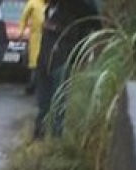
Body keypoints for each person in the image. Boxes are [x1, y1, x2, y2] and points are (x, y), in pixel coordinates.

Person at [34, 0, 101, 139]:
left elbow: (95, 21)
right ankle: (40, 137)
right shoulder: (50, 8)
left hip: (61, 58)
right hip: (44, 59)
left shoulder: (73, 8)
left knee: (58, 103)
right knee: (43, 104)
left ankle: (54, 140)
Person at [19, 0, 46, 94]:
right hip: (36, 37)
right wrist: (21, 32)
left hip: (48, 37)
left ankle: (40, 87)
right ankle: (32, 85)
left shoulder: (51, 4)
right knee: (34, 64)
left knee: (44, 63)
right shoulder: (33, 3)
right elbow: (23, 17)